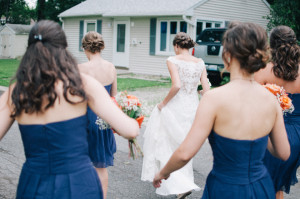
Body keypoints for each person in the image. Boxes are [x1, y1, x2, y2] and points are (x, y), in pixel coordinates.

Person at [0, 20, 139, 199]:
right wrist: (135, 116)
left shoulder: (16, 90)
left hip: (33, 185)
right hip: (79, 183)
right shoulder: (82, 83)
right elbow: (130, 130)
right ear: (63, 48)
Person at [153, 22, 291, 199]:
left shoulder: (213, 99)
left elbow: (185, 153)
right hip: (261, 186)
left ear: (227, 56)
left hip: (226, 188)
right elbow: (284, 152)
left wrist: (162, 173)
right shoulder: (272, 100)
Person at [141, 32, 210, 198]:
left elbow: (177, 85)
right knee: (186, 144)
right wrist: (199, 91)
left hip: (176, 106)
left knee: (171, 144)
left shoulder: (172, 60)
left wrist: (163, 103)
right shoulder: (200, 62)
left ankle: (180, 185)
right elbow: (206, 90)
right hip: (193, 106)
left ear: (176, 46)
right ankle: (182, 186)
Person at [254, 25, 300, 199]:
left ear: (271, 45)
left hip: (271, 135)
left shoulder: (263, 71)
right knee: (276, 185)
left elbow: (253, 105)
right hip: (297, 135)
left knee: (266, 184)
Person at [78, 31, 117, 199]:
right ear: (101, 47)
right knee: (101, 168)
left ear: (85, 48)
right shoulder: (111, 67)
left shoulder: (81, 68)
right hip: (104, 121)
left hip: (85, 121)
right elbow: (113, 96)